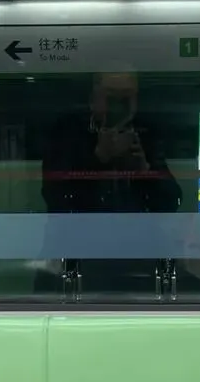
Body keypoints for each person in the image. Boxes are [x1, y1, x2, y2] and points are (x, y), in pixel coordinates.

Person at [41, 71, 181, 298]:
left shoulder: (147, 134)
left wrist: (144, 172)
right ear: (93, 100)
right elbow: (55, 198)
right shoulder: (67, 134)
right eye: (112, 97)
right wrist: (98, 158)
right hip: (76, 258)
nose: (119, 106)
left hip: (140, 260)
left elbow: (172, 202)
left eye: (127, 98)